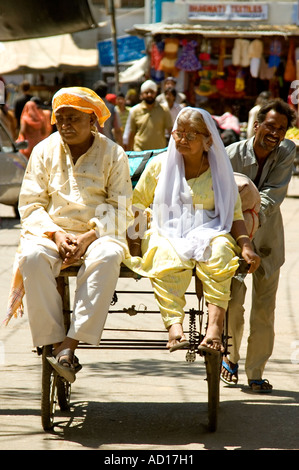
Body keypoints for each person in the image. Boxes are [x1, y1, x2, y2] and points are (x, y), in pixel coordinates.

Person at [12, 86, 133, 383]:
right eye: (61, 118)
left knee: (109, 255)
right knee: (32, 256)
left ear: (92, 120)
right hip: (52, 232)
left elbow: (121, 207)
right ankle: (53, 343)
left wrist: (88, 237)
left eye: (73, 119)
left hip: (98, 234)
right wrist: (54, 234)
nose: (65, 125)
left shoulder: (113, 153)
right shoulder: (43, 151)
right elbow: (30, 204)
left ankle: (70, 344)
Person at [125, 107, 260, 352]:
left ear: (208, 139)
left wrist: (246, 246)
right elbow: (138, 204)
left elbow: (235, 214)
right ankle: (175, 329)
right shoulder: (159, 165)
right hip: (166, 228)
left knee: (220, 253)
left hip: (210, 229)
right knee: (163, 254)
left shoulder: (220, 170)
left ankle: (214, 331)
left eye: (191, 135)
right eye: (179, 133)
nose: (182, 140)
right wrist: (134, 245)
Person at [223, 99, 296, 392]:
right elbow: (222, 200)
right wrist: (242, 238)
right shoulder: (230, 156)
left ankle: (255, 372)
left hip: (267, 241)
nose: (275, 133)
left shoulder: (286, 152)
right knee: (233, 304)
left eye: (281, 128)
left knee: (265, 310)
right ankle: (229, 356)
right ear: (256, 126)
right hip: (233, 240)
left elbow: (272, 196)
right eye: (270, 125)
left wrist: (250, 223)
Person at [126, 79, 173, 151]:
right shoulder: (135, 110)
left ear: (156, 93)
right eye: (146, 92)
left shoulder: (164, 110)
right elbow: (131, 133)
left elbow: (171, 131)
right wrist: (128, 154)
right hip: (140, 152)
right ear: (141, 94)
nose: (149, 95)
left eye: (152, 92)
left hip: (159, 152)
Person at [92, 80, 123, 146]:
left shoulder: (89, 108)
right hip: (108, 145)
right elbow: (117, 130)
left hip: (92, 145)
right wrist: (122, 147)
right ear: (106, 93)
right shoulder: (112, 108)